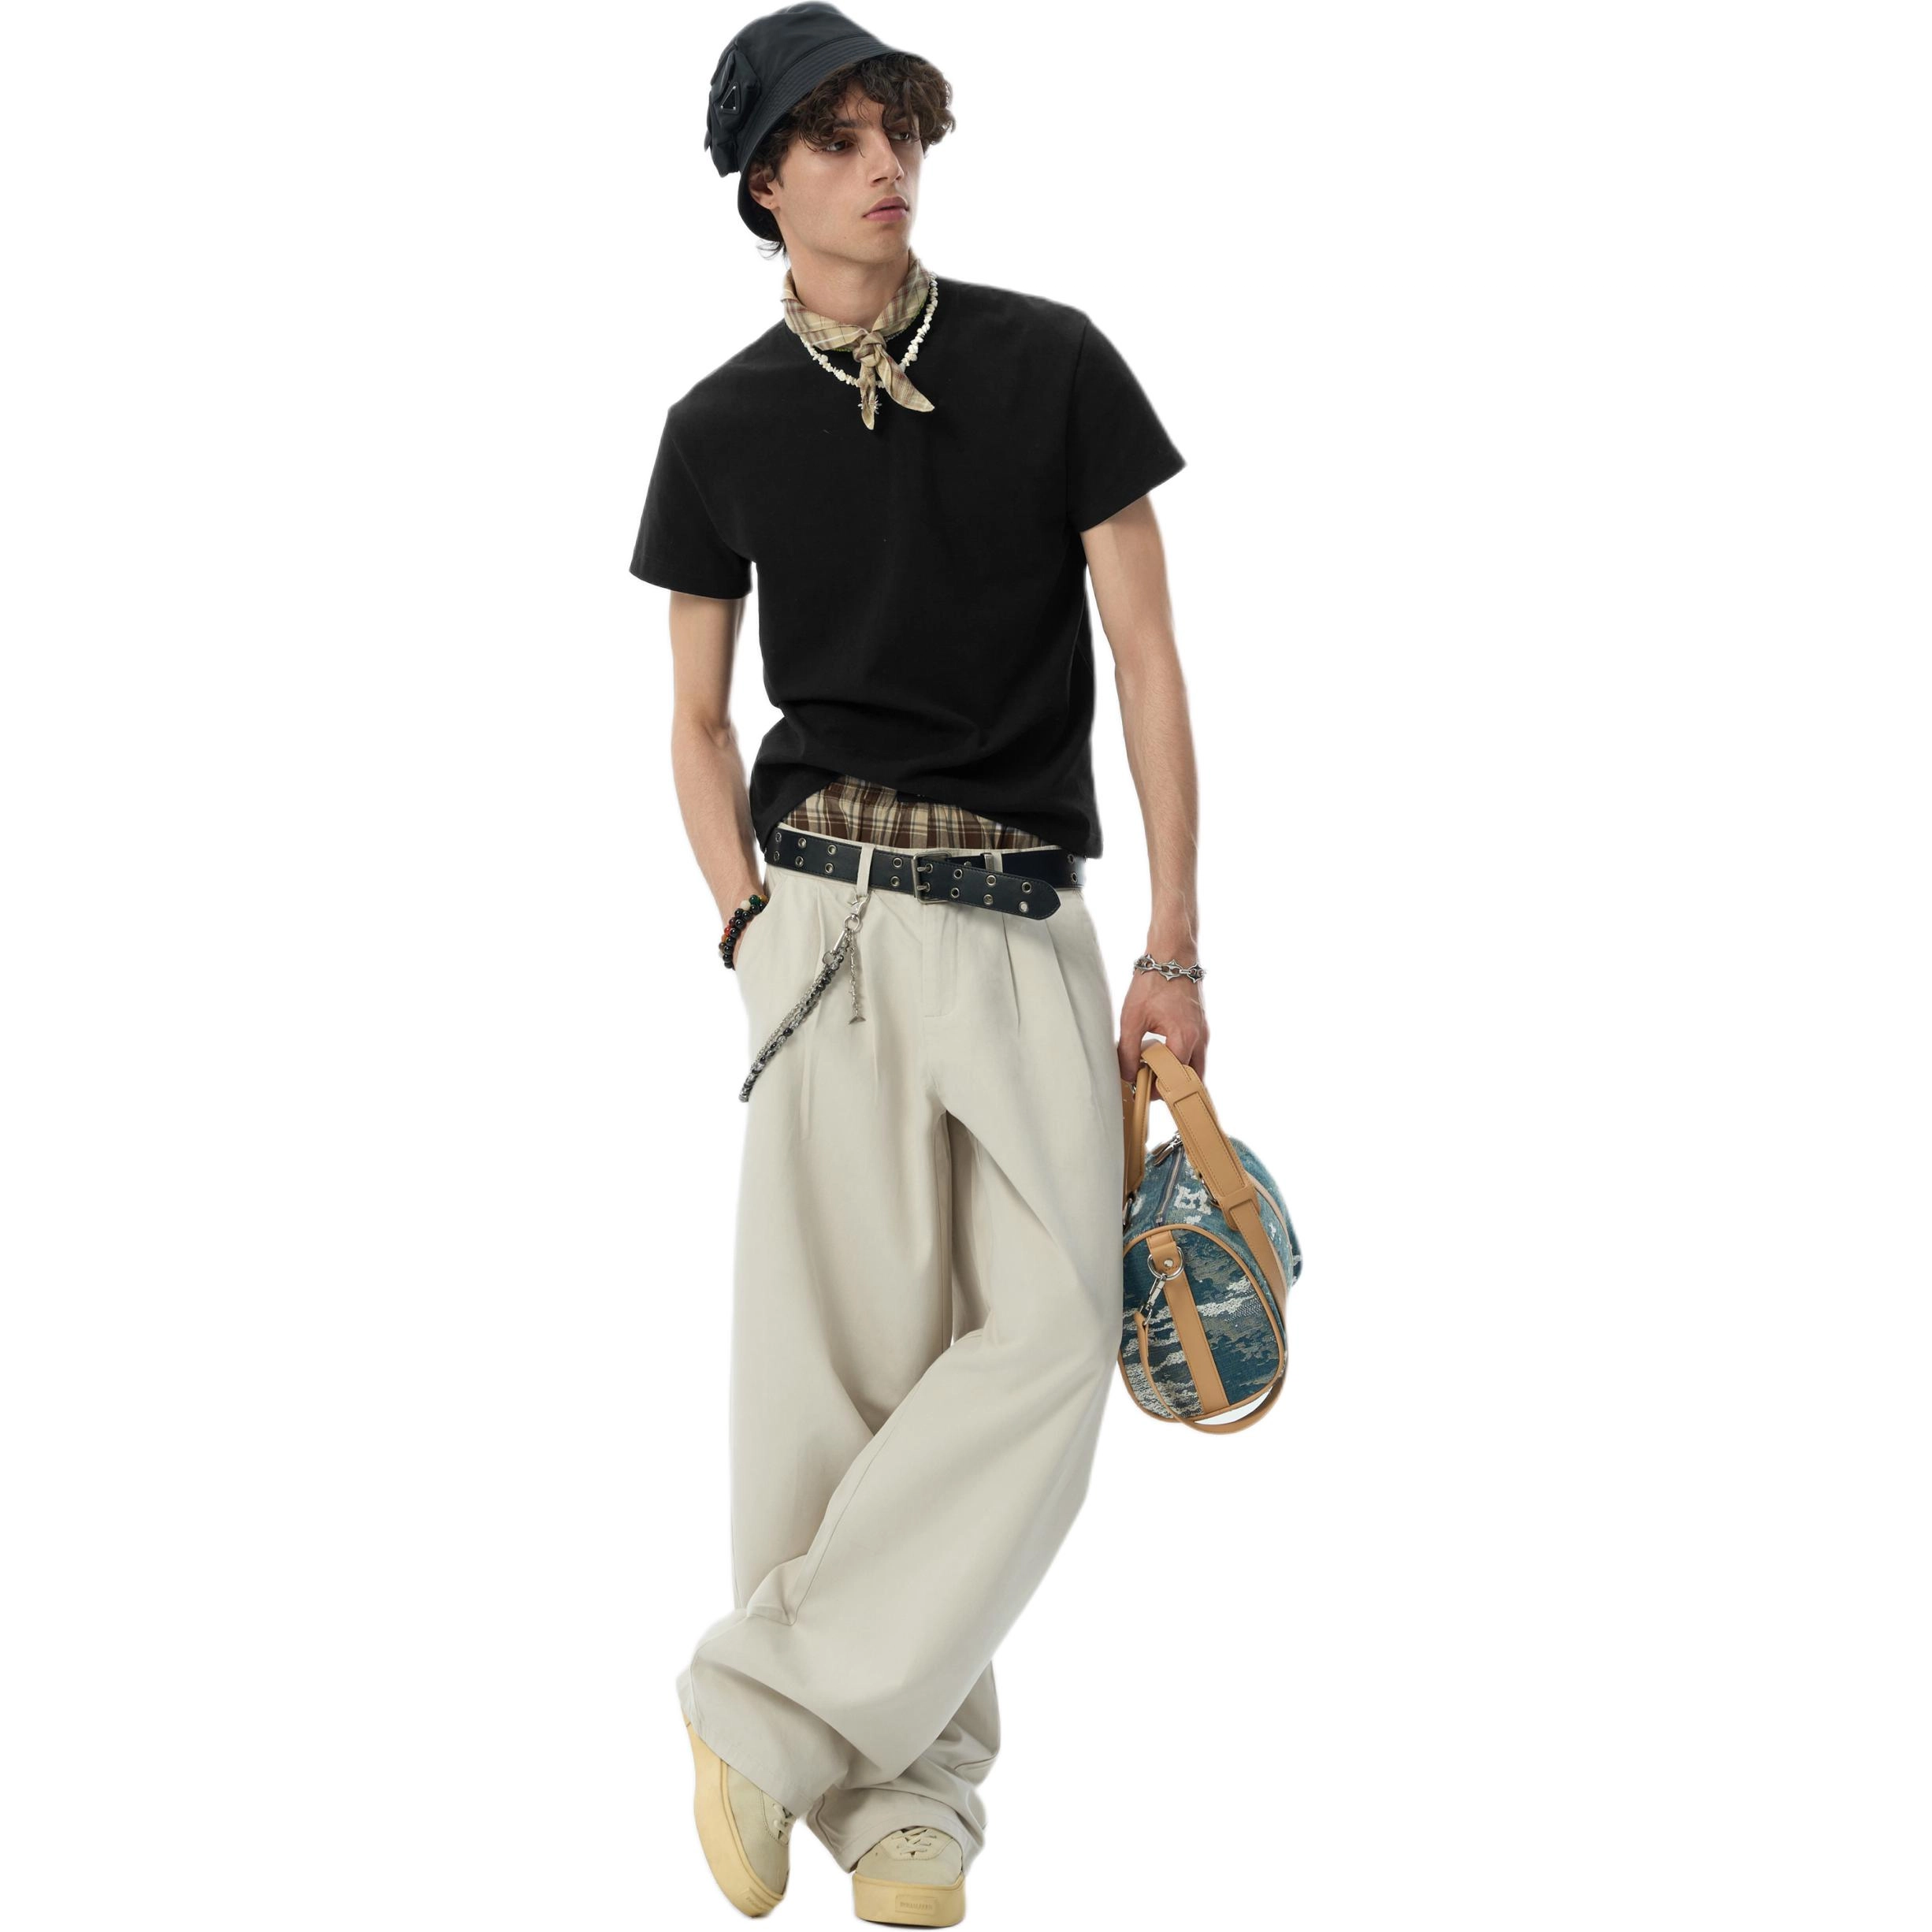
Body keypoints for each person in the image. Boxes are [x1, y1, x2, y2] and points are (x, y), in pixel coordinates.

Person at [628, 6, 1208, 1921]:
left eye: (902, 130)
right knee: (843, 1372)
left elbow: (1147, 659)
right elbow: (693, 718)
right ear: (762, 184)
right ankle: (907, 1802)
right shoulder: (716, 427)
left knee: (1045, 1337)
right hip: (823, 926)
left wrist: (1175, 943)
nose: (887, 164)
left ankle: (759, 1702)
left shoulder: (1051, 364)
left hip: (1025, 922)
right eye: (840, 138)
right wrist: (743, 921)